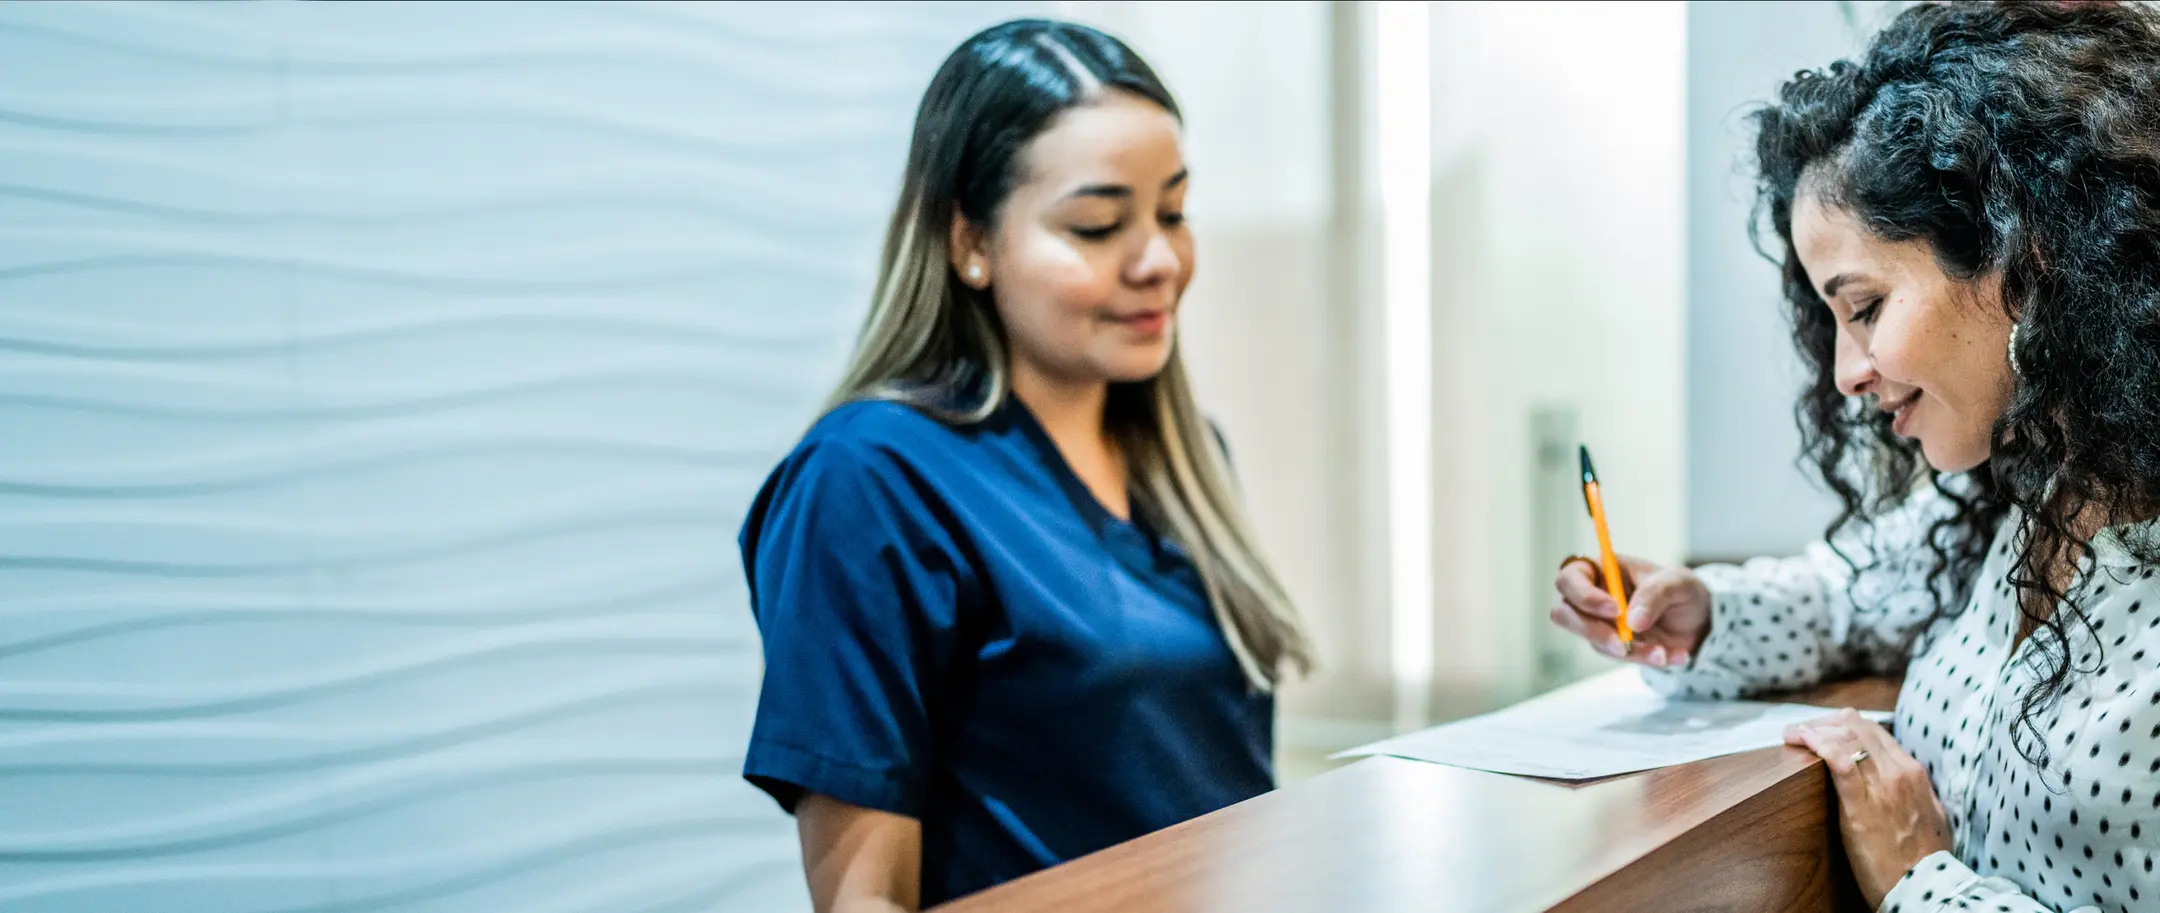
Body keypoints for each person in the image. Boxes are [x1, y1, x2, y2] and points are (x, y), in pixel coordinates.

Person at [1551, 3, 2160, 912]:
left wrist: (1920, 879)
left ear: (2024, 259)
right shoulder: (2030, 487)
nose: (1844, 373)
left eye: (1867, 307)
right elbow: (1850, 592)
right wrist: (1703, 612)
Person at [737, 19, 1312, 913]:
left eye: (1172, 212)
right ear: (969, 240)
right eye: (1098, 224)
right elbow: (864, 902)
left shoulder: (1190, 459)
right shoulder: (868, 481)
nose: (1159, 260)